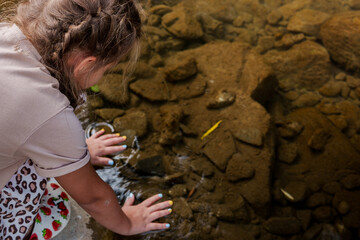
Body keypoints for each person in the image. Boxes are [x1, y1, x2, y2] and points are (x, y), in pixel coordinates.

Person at [0, 0, 172, 239]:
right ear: (87, 64)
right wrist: (127, 224)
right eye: (108, 68)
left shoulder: (6, 35)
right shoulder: (50, 113)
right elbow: (93, 198)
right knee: (27, 190)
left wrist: (72, 153)